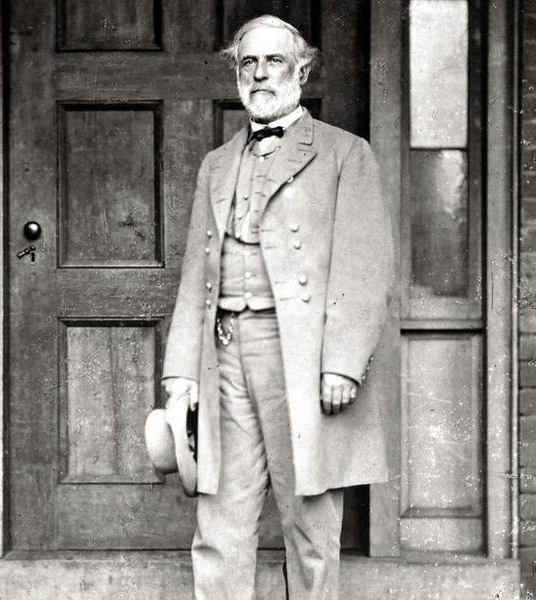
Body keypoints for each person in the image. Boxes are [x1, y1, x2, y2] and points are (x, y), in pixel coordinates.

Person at [161, 14, 396, 600]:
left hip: (300, 358)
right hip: (223, 357)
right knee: (219, 515)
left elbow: (364, 268)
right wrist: (180, 375)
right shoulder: (216, 164)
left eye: (274, 61)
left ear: (303, 70)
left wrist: (341, 363)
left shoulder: (345, 154)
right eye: (249, 63)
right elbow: (197, 273)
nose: (261, 74)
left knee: (310, 518)